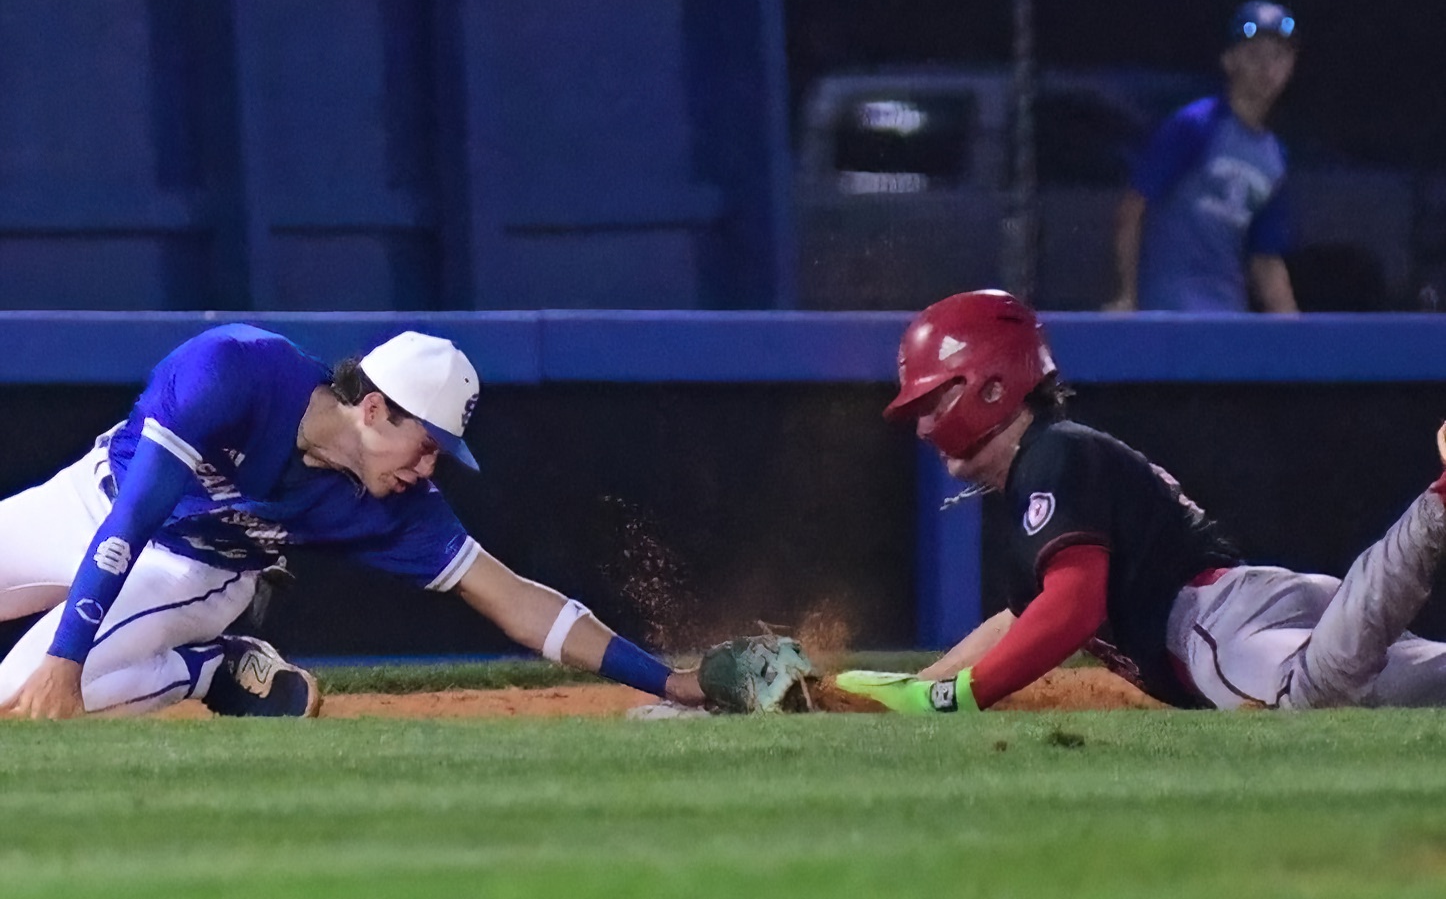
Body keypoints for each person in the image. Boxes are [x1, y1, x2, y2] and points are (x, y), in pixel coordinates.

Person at [0, 324, 707, 719]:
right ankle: (180, 665)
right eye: (425, 444)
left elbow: (517, 600)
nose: (427, 468)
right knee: (59, 667)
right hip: (97, 501)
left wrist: (669, 682)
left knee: (18, 699)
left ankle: (210, 668)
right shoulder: (233, 371)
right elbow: (130, 519)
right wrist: (67, 655)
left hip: (193, 570)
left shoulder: (395, 504)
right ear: (373, 410)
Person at [838, 289, 1446, 713]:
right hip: (1248, 607)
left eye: (934, 401)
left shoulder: (1052, 454)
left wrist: (953, 698)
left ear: (992, 387)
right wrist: (915, 689)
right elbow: (1027, 618)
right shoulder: (1054, 457)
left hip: (1214, 626)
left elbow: (1072, 608)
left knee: (1310, 697)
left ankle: (1437, 503)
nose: (924, 427)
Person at [1105, 0, 1301, 313]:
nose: (1267, 68)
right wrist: (1127, 295)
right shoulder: (1195, 125)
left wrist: (1294, 329)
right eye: (1254, 55)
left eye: (1278, 56)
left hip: (1226, 316)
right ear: (1229, 60)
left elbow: (1266, 259)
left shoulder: (1274, 158)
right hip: (1167, 312)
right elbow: (1132, 209)